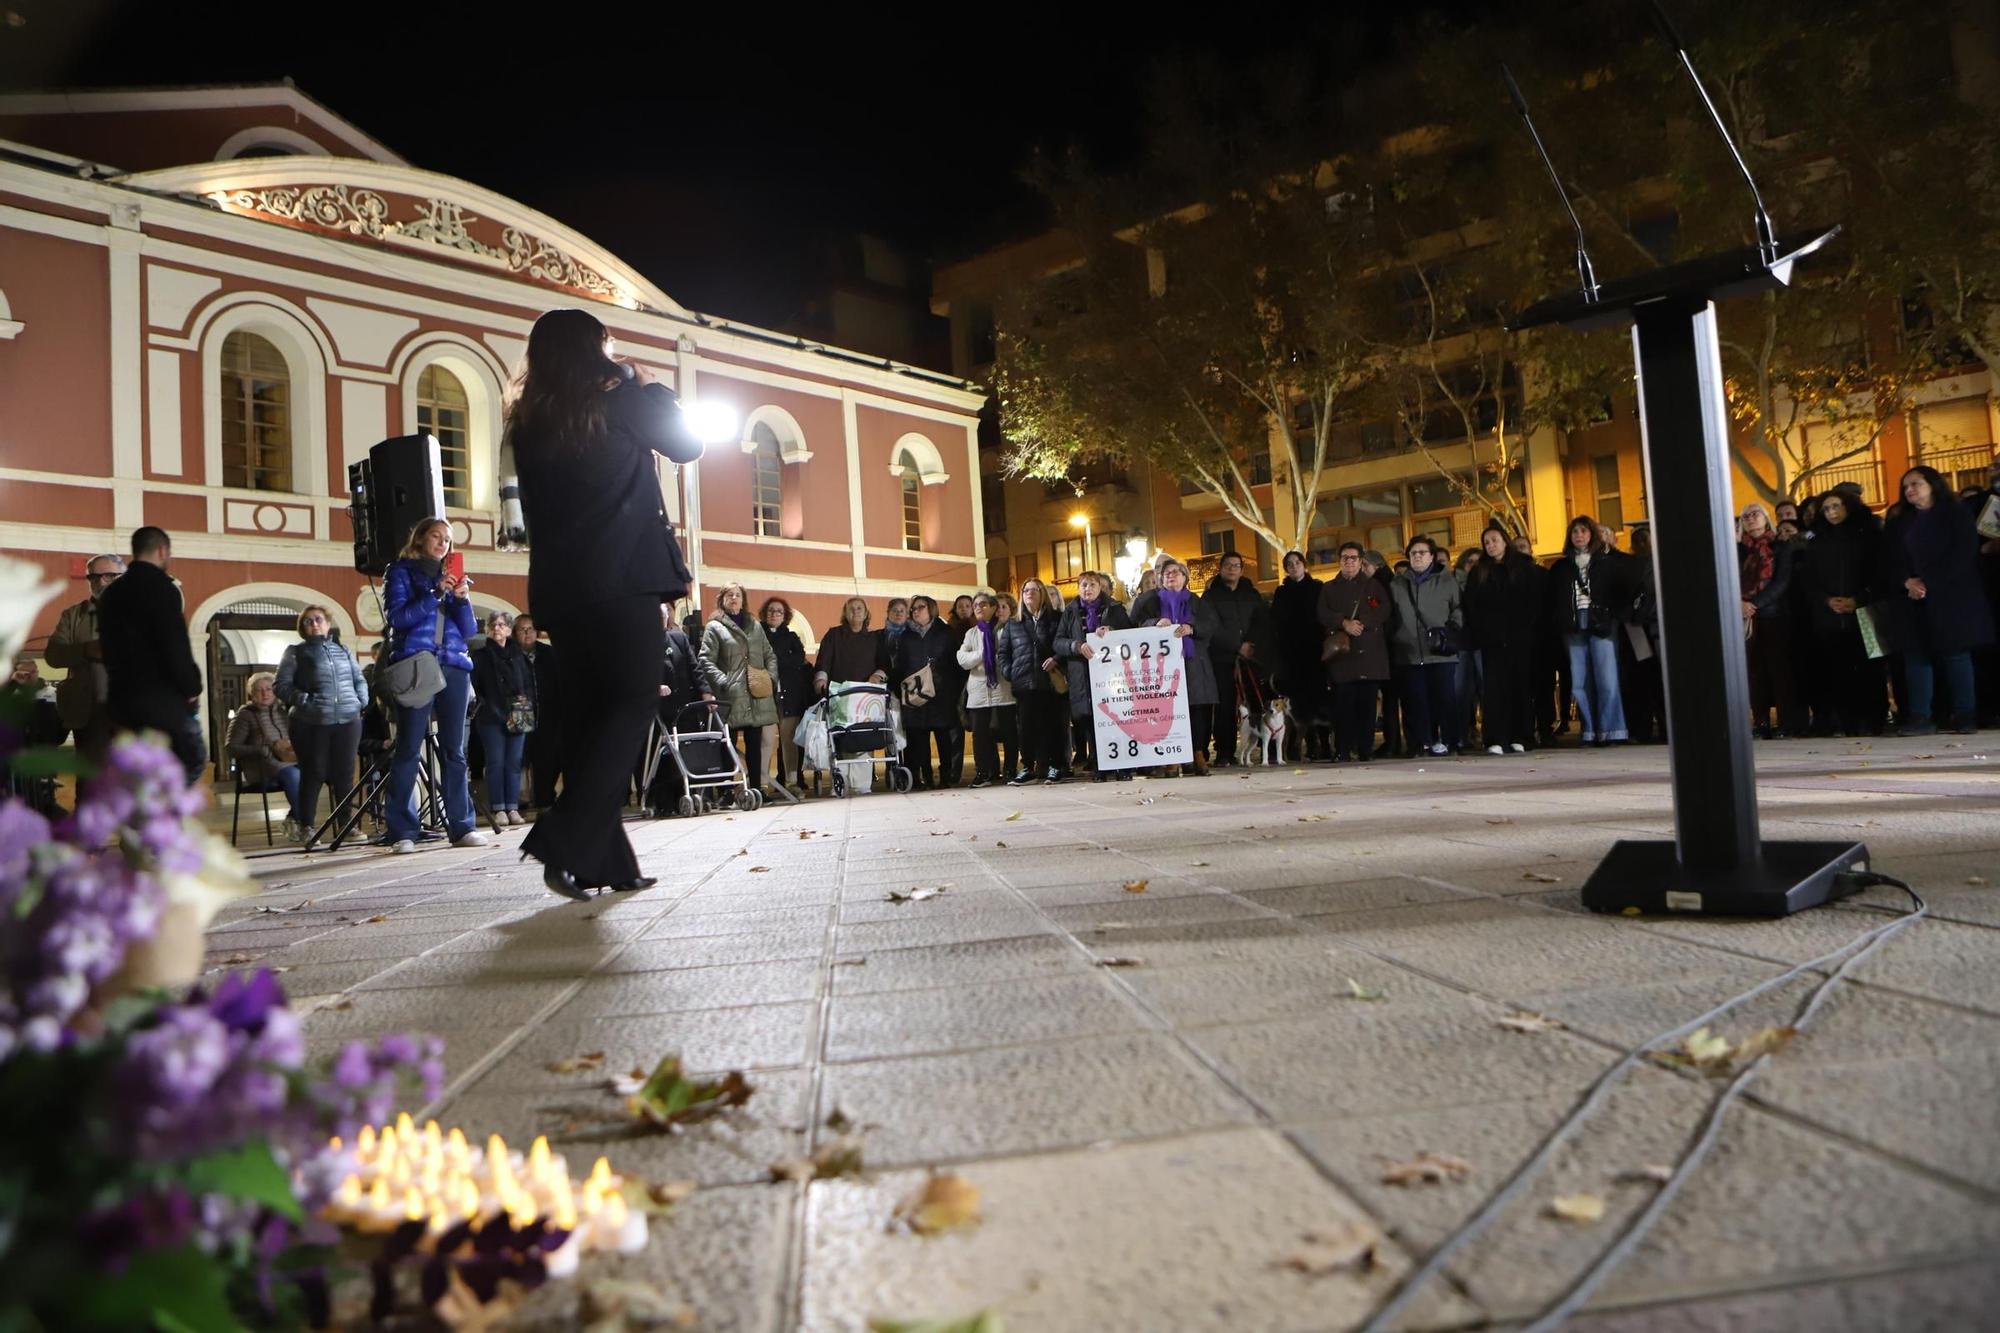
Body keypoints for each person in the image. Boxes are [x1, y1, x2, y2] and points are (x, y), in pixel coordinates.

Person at [505, 308, 703, 898]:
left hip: (563, 591)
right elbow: (686, 444)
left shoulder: (531, 419)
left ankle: (605, 863)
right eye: (606, 341)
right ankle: (563, 836)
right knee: (633, 701)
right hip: (623, 581)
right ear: (594, 349)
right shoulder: (620, 400)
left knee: (594, 718)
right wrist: (649, 387)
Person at [381, 518, 484, 854]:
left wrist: (461, 597)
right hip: (418, 664)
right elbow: (399, 618)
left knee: (455, 751)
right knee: (408, 748)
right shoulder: (401, 571)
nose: (442, 543)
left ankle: (463, 826)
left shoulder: (452, 576)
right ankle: (402, 831)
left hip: (455, 664)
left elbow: (468, 629)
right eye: (436, 537)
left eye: (447, 539)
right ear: (421, 538)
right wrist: (436, 590)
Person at [1877, 465, 1994, 735]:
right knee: (1916, 657)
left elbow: (1963, 553)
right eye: (1905, 486)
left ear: (1933, 485)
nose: (1909, 490)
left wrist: (1928, 582)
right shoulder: (1900, 521)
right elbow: (1889, 559)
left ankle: (1965, 715)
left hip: (1951, 597)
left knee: (1956, 655)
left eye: (1915, 484)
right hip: (1912, 598)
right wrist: (1907, 581)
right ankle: (1920, 717)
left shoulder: (1955, 514)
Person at [97, 526, 204, 782]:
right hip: (161, 703)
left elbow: (108, 648)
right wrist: (191, 686)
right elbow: (174, 644)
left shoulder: (110, 594)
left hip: (121, 703)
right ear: (162, 550)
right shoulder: (163, 589)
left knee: (137, 777)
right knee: (190, 763)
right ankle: (166, 818)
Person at [276, 604, 369, 841]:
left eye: (318, 619)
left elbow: (359, 679)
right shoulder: (295, 652)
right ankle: (307, 826)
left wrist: (360, 701)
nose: (314, 624)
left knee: (345, 773)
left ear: (327, 624)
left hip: (348, 719)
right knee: (313, 772)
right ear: (303, 628)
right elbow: (281, 685)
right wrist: (303, 699)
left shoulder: (344, 651)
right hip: (311, 721)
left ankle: (346, 824)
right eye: (308, 621)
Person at [1799, 490, 1885, 736]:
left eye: (1836, 506)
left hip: (1866, 613)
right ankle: (1849, 722)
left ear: (1848, 506)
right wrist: (1827, 600)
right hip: (1830, 617)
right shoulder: (1817, 541)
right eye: (1826, 509)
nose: (1831, 512)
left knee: (1870, 669)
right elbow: (1809, 579)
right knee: (1839, 671)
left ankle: (1875, 719)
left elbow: (1880, 574)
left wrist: (1858, 599)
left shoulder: (1868, 536)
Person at [1131, 559, 1221, 776]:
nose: (1171, 576)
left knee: (1197, 709)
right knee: (1166, 710)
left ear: (1185, 578)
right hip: (1159, 666)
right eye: (1167, 573)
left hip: (1193, 663)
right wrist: (1154, 624)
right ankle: (1171, 757)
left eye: (1176, 572)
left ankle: (1198, 753)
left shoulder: (1196, 601)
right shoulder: (1147, 601)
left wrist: (1192, 627)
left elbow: (1211, 624)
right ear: (1161, 578)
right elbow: (1133, 624)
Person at [1548, 515, 1630, 746]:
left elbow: (1620, 591)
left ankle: (1612, 730)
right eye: (1575, 532)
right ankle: (1589, 729)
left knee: (1607, 679)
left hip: (1602, 625)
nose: (1579, 536)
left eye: (1584, 531)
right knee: (1579, 682)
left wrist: (1612, 613)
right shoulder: (1561, 567)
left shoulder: (1605, 562)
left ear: (1592, 534)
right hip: (1573, 627)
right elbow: (1553, 599)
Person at [698, 584, 781, 799]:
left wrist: (770, 678)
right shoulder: (714, 627)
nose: (734, 598)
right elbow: (705, 660)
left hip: (756, 693)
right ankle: (727, 790)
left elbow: (769, 654)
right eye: (729, 595)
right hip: (731, 695)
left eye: (738, 595)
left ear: (743, 600)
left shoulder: (754, 625)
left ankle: (756, 789)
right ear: (722, 599)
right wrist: (723, 682)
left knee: (754, 743)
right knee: (728, 743)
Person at [1463, 523, 1539, 754]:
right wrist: (1482, 631)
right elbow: (1471, 605)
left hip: (1519, 638)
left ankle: (1522, 735)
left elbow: (1532, 603)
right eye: (1487, 542)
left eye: (1495, 540)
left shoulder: (1523, 568)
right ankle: (1495, 737)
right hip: (1491, 640)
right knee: (1495, 690)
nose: (1491, 545)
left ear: (1505, 541)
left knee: (1520, 687)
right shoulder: (1479, 572)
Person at [43, 552, 123, 766]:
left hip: (132, 714)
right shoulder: (74, 615)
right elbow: (53, 655)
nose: (99, 582)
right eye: (93, 577)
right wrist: (88, 650)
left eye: (108, 576)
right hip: (89, 715)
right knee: (90, 784)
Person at [1387, 536, 1464, 757]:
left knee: (1445, 699)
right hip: (1409, 653)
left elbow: (1458, 608)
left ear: (1432, 556)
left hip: (1440, 652)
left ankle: (1450, 740)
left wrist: (1452, 629)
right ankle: (1424, 741)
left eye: (1422, 552)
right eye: (1413, 553)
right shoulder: (1398, 584)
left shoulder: (1447, 580)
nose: (1418, 556)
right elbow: (1390, 615)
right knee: (1416, 701)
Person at [1054, 572, 1133, 781]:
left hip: (1112, 675)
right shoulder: (1070, 612)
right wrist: (1076, 646)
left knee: (1117, 719)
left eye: (1091, 585)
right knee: (1091, 723)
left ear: (1100, 588)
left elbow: (1130, 634)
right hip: (1083, 675)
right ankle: (1100, 766)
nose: (1087, 589)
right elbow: (1058, 642)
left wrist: (1112, 631)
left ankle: (1122, 766)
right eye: (1083, 585)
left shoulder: (1115, 608)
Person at [1319, 542, 1391, 763]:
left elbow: (1384, 609)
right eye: (1344, 558)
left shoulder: (1373, 586)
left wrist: (1362, 623)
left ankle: (1365, 749)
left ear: (1361, 561)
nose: (1349, 562)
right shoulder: (1328, 588)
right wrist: (1343, 623)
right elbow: (1322, 613)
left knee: (1368, 707)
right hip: (1343, 654)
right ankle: (1342, 749)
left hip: (1369, 654)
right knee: (1343, 706)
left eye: (1353, 558)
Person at [1738, 503, 1799, 738]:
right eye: (1746, 516)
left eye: (1756, 514)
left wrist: (1755, 604)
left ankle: (1787, 722)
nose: (1751, 519)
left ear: (1766, 519)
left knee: (1780, 671)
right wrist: (1741, 604)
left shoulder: (1780, 546)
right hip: (1745, 618)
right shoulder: (1738, 550)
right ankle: (1761, 722)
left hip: (1774, 613)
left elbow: (1782, 581)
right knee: (1754, 673)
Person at [1202, 551, 1267, 767]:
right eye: (1228, 565)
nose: (1232, 569)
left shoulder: (1251, 594)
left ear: (1241, 569)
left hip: (1251, 658)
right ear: (1220, 569)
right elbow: (1212, 626)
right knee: (1225, 707)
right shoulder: (1211, 596)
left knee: (1257, 703)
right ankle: (1225, 751)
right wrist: (1237, 646)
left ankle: (1262, 749)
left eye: (1236, 565)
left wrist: (1250, 644)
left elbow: (1262, 620)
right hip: (1223, 659)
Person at [470, 611, 533, 831]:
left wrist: (526, 708)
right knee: (495, 762)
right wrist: (488, 707)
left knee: (514, 763)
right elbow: (476, 689)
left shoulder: (519, 656)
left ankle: (513, 807)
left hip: (518, 715)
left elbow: (527, 684)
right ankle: (499, 808)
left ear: (508, 629)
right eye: (493, 625)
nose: (497, 628)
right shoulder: (480, 656)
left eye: (501, 625)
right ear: (488, 629)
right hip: (490, 717)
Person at [1001, 578, 1066, 784]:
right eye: (1026, 590)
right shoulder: (1013, 623)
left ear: (1042, 593)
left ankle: (1056, 766)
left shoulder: (1056, 619)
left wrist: (1056, 659)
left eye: (1034, 590)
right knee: (1026, 729)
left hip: (1049, 682)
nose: (1029, 593)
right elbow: (1003, 653)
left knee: (1052, 726)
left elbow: (1063, 645)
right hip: (1024, 684)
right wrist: (1010, 672)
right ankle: (1028, 766)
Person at [887, 595, 957, 789]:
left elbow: (955, 664)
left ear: (931, 609)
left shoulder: (945, 633)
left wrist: (948, 686)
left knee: (943, 736)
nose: (915, 611)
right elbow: (899, 666)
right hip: (915, 694)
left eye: (920, 607)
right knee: (919, 738)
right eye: (913, 609)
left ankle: (945, 777)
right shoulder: (906, 636)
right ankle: (925, 777)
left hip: (940, 693)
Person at [643, 603, 706, 815]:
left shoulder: (679, 638)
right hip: (657, 711)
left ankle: (685, 795)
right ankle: (663, 802)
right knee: (662, 757)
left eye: (662, 616)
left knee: (686, 752)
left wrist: (706, 692)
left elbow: (694, 667)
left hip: (683, 708)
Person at [954, 592, 1017, 787]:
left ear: (992, 608)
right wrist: (984, 653)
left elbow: (1008, 656)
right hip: (979, 692)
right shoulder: (972, 633)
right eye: (975, 606)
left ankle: (1010, 770)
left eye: (982, 604)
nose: (978, 608)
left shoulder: (1005, 630)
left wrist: (986, 657)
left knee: (1009, 733)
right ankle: (984, 772)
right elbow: (962, 659)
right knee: (980, 734)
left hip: (1004, 690)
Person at [1269, 551, 1327, 760]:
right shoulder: (1282, 592)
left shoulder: (1317, 588)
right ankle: (1298, 744)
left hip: (1314, 651)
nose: (1294, 567)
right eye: (1290, 564)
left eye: (1297, 563)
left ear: (1304, 565)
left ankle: (1322, 744)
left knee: (1318, 699)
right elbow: (1276, 621)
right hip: (1291, 654)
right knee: (1297, 702)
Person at [225, 671, 299, 822]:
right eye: (259, 690)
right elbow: (231, 748)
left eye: (269, 689)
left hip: (288, 761)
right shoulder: (245, 715)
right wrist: (260, 749)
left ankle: (295, 819)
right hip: (262, 768)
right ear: (252, 694)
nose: (265, 693)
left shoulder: (283, 712)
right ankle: (304, 823)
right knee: (293, 774)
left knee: (315, 772)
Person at [761, 597, 811, 793]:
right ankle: (763, 783)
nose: (774, 614)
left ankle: (792, 781)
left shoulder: (791, 638)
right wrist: (782, 660)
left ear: (785, 616)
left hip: (789, 695)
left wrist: (774, 660)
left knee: (789, 740)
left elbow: (798, 660)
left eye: (779, 611)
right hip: (765, 695)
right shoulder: (757, 636)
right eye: (771, 611)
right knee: (765, 740)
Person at [515, 614, 558, 813]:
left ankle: (545, 801)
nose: (527, 633)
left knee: (546, 760)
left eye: (530, 628)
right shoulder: (511, 654)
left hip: (548, 713)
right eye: (522, 629)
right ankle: (519, 802)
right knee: (520, 759)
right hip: (519, 713)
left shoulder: (549, 654)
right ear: (515, 633)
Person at [814, 597, 887, 694]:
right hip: (838, 692)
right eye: (851, 609)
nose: (855, 611)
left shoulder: (875, 637)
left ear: (865, 614)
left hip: (866, 693)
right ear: (845, 614)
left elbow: (884, 664)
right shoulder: (833, 634)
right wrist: (821, 680)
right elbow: (824, 661)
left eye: (859, 608)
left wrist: (877, 676)